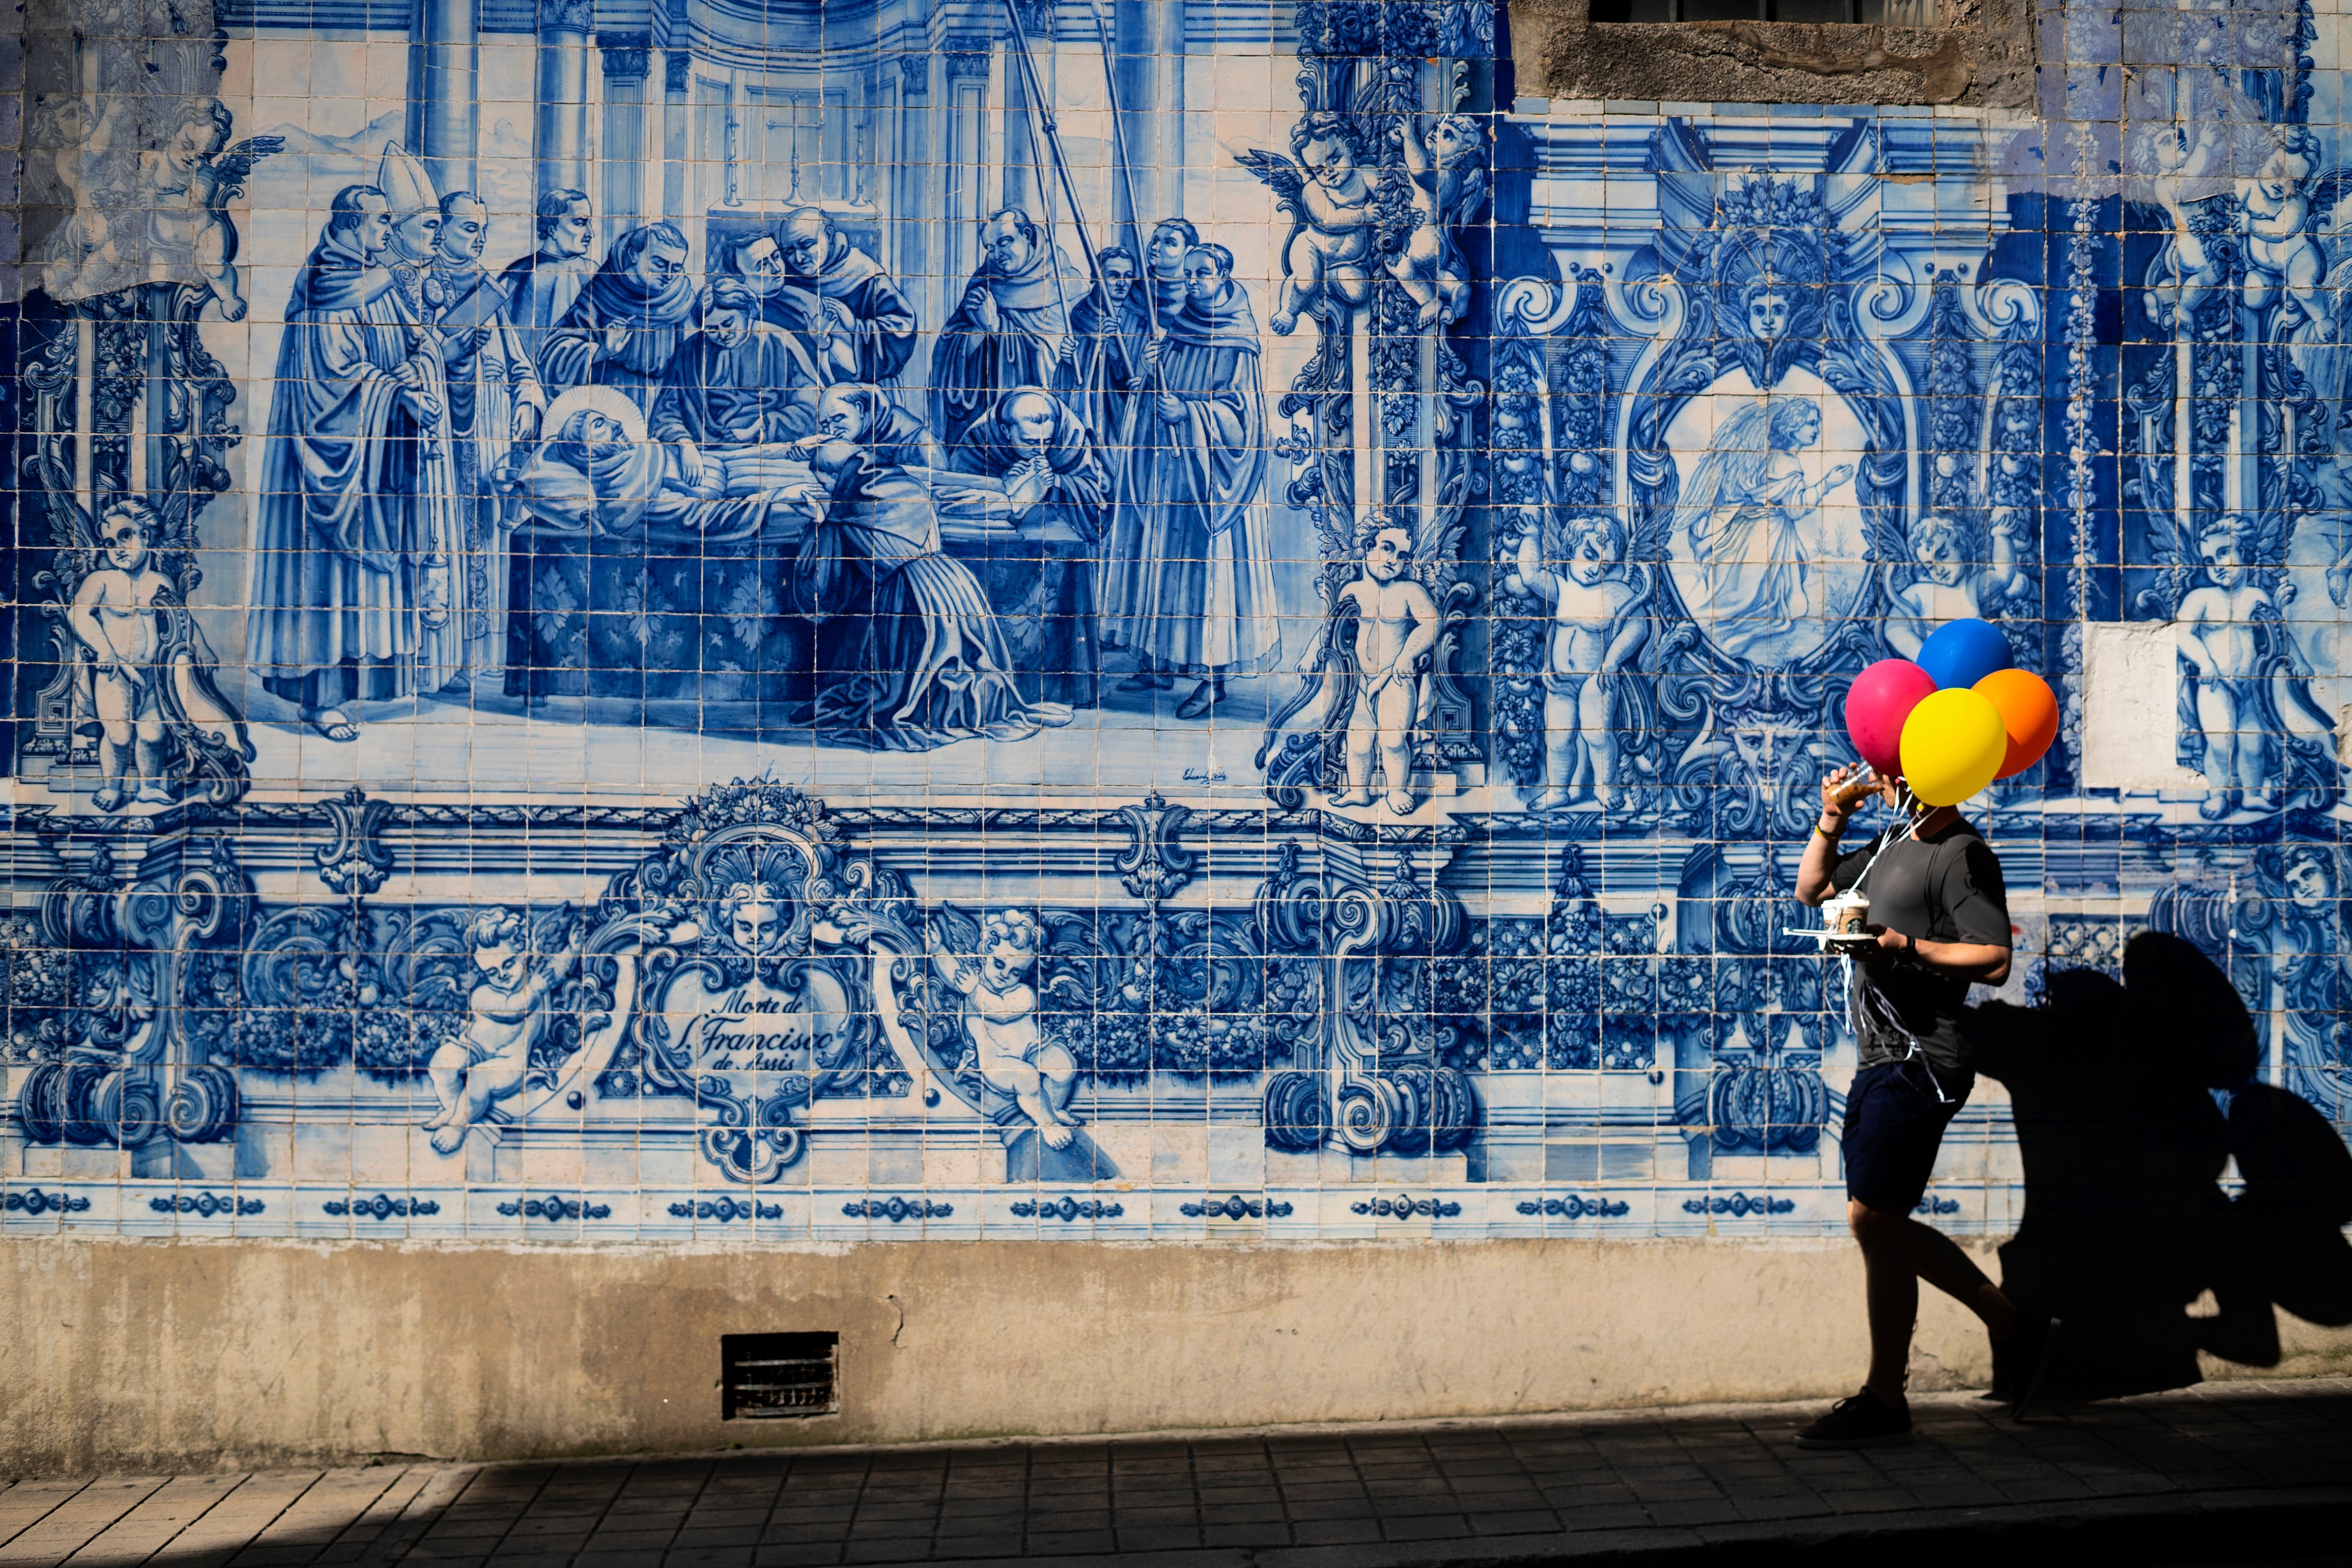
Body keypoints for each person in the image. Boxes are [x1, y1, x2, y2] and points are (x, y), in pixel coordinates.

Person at [1793, 764, 2056, 1447]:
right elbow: (1811, 890)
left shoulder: (1959, 851)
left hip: (1921, 1059)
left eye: (1891, 762)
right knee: (1874, 1223)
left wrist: (1903, 944)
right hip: (1880, 1055)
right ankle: (2014, 1331)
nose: (1878, 772)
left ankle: (1889, 1396)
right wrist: (1831, 817)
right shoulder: (1888, 843)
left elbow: (1994, 957)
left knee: (1875, 1221)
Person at [246, 184, 458, 742]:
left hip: (378, 459)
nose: (389, 230)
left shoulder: (381, 279)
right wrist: (396, 394)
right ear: (347, 224)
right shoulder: (325, 287)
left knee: (365, 582)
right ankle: (322, 701)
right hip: (330, 461)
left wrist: (420, 370)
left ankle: (363, 688)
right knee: (325, 580)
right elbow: (329, 385)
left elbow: (415, 344)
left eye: (390, 221)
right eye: (380, 220)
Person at [794, 383, 1070, 749]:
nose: (830, 429)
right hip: (951, 581)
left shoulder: (852, 502)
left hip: (912, 593)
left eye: (837, 421)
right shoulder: (891, 478)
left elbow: (823, 590)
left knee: (910, 690)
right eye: (825, 423)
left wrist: (819, 523)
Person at [1097, 242, 1279, 719]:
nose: (1194, 280)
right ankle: (1162, 658)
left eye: (1204, 273)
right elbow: (1158, 392)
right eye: (1191, 273)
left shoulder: (1237, 338)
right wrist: (1148, 375)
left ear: (1223, 277)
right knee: (1171, 570)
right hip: (1173, 477)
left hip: (1214, 481)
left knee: (1209, 577)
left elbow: (1245, 417)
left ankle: (1211, 680)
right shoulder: (1179, 328)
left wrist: (1191, 413)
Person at [431, 189, 546, 686]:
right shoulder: (422, 283)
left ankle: (478, 659)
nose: (478, 239)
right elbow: (420, 360)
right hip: (444, 442)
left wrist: (526, 401)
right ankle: (441, 659)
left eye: (483, 229)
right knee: (449, 544)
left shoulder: (486, 287)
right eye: (468, 228)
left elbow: (521, 364)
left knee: (487, 546)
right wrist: (456, 352)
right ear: (441, 229)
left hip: (491, 437)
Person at [951, 386, 1108, 707]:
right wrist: (1003, 487)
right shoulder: (980, 439)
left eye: (1046, 443)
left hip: (1054, 540)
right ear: (1005, 430)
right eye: (1029, 442)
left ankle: (1057, 690)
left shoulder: (1071, 435)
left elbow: (1099, 495)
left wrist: (1059, 484)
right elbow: (955, 493)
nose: (1040, 452)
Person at [929, 208, 1090, 452]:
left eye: (1004, 242)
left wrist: (997, 328)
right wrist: (981, 330)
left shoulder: (1066, 284)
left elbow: (1060, 363)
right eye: (990, 248)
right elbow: (948, 350)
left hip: (1040, 430)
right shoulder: (984, 283)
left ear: (1027, 235)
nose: (997, 255)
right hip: (987, 423)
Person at [647, 277, 836, 454]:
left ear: (746, 312)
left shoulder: (777, 342)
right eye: (712, 329)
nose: (722, 334)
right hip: (703, 454)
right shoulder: (691, 352)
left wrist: (760, 428)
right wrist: (685, 445)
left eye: (728, 323)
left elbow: (812, 407)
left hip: (769, 450)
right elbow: (666, 414)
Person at [538, 221, 697, 413]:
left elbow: (693, 360)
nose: (669, 275)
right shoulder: (603, 290)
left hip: (662, 405)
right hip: (607, 402)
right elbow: (554, 351)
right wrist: (601, 351)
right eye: (660, 264)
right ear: (633, 255)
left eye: (677, 267)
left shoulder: (681, 298)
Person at [777, 206, 920, 389]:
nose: (798, 258)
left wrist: (855, 326)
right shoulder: (786, 279)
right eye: (789, 251)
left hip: (863, 389)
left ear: (829, 235)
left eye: (807, 245)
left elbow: (902, 328)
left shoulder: (864, 273)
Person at [1053, 245, 1145, 448]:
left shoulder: (1140, 320)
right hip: (1092, 407)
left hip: (1124, 407)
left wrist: (1142, 381)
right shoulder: (1081, 313)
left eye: (1128, 276)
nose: (1122, 283)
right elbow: (1072, 373)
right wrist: (1070, 359)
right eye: (1113, 276)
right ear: (1096, 277)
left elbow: (1144, 366)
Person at [499, 188, 596, 373]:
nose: (590, 233)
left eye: (589, 223)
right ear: (553, 229)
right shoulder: (519, 275)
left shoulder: (594, 273)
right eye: (580, 223)